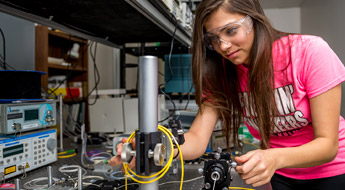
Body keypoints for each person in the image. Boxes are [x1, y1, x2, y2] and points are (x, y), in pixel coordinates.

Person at [109, 0, 345, 189]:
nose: (223, 46)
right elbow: (196, 140)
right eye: (213, 39)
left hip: (332, 171)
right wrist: (151, 149)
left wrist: (273, 157)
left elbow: (327, 145)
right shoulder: (223, 71)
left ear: (254, 20)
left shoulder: (309, 52)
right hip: (279, 174)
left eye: (231, 31)